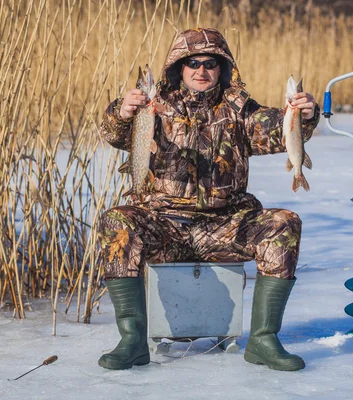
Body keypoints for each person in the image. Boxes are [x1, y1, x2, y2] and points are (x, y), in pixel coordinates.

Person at [98, 28, 319, 371]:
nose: (201, 70)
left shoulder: (240, 111)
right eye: (193, 63)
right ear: (178, 68)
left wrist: (304, 114)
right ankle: (132, 341)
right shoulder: (155, 106)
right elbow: (114, 134)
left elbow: (279, 129)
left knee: (283, 224)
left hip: (224, 226)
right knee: (117, 221)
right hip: (164, 225)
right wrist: (123, 112)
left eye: (210, 63)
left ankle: (263, 340)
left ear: (222, 68)